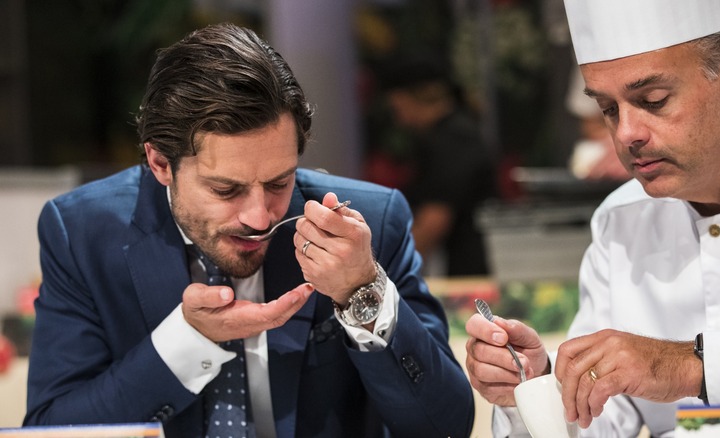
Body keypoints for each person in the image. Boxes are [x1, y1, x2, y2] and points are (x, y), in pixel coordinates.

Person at [23, 23, 474, 438]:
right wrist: (188, 340)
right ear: (161, 163)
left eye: (280, 182)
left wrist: (362, 291)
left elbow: (446, 426)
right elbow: (55, 429)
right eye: (226, 189)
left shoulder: (369, 224)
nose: (261, 218)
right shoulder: (81, 232)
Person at [464, 0, 720, 436]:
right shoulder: (621, 222)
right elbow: (602, 421)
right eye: (609, 110)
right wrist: (535, 388)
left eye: (653, 100)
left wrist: (688, 367)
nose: (627, 132)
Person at [379, 54, 495, 277]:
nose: (398, 118)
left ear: (410, 98)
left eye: (397, 107)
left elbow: (435, 219)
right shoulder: (446, 135)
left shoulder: (453, 139)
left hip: (469, 269)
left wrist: (382, 272)